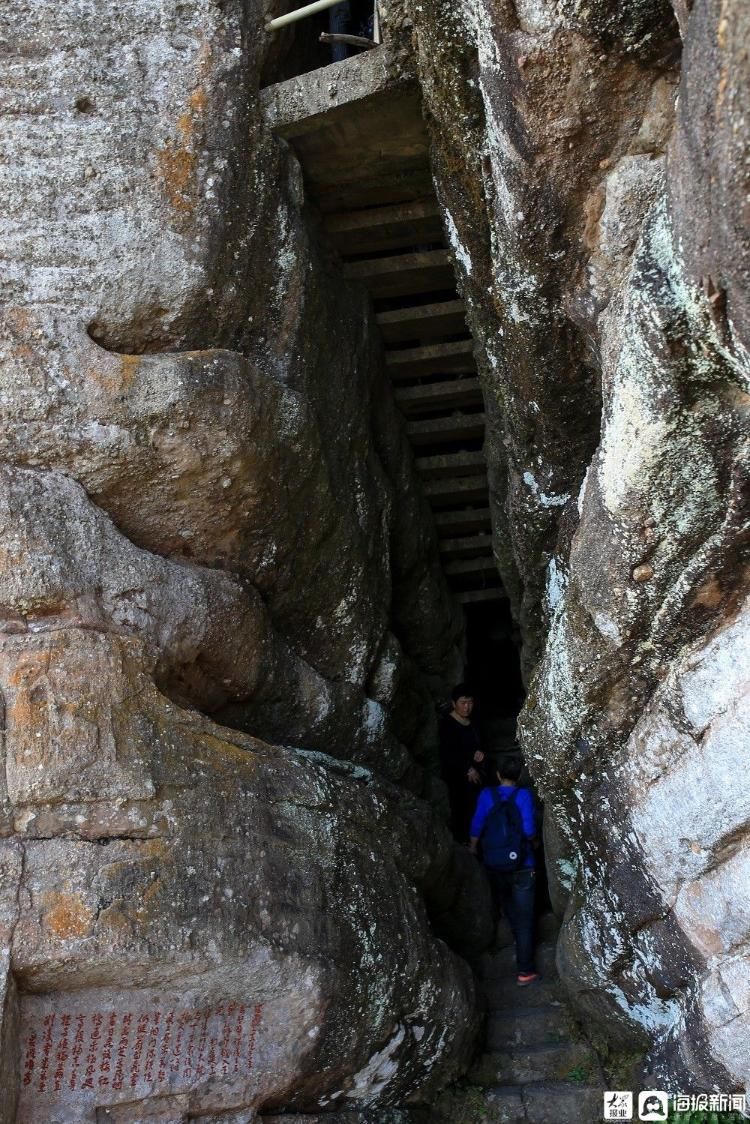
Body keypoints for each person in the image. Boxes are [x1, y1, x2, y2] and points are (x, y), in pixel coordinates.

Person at [469, 756, 539, 985]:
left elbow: (477, 825)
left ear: (498, 774)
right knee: (525, 918)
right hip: (523, 865)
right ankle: (525, 970)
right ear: (519, 776)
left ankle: (517, 942)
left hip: (496, 865)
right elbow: (528, 830)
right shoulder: (524, 795)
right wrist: (534, 844)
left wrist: (472, 848)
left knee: (509, 908)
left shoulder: (487, 795)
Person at [439, 684, 486, 843]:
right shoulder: (447, 724)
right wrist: (467, 768)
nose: (467, 707)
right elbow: (448, 752)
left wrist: (479, 753)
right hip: (458, 777)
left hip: (476, 774)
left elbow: (478, 744)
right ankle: (465, 841)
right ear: (454, 703)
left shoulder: (473, 722)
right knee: (462, 809)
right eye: (463, 702)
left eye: (470, 702)